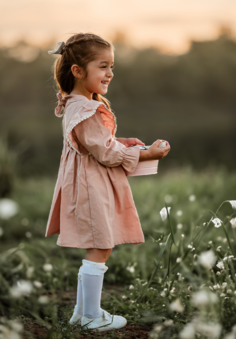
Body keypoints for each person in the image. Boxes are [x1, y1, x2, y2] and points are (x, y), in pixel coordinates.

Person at [45, 33, 171, 332]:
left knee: (99, 245)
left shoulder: (79, 104)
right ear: (78, 71)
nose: (110, 73)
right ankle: (91, 316)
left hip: (90, 183)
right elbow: (103, 151)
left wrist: (124, 143)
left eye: (111, 66)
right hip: (91, 187)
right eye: (103, 66)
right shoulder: (85, 109)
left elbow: (97, 143)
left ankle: (81, 312)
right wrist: (146, 154)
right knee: (100, 246)